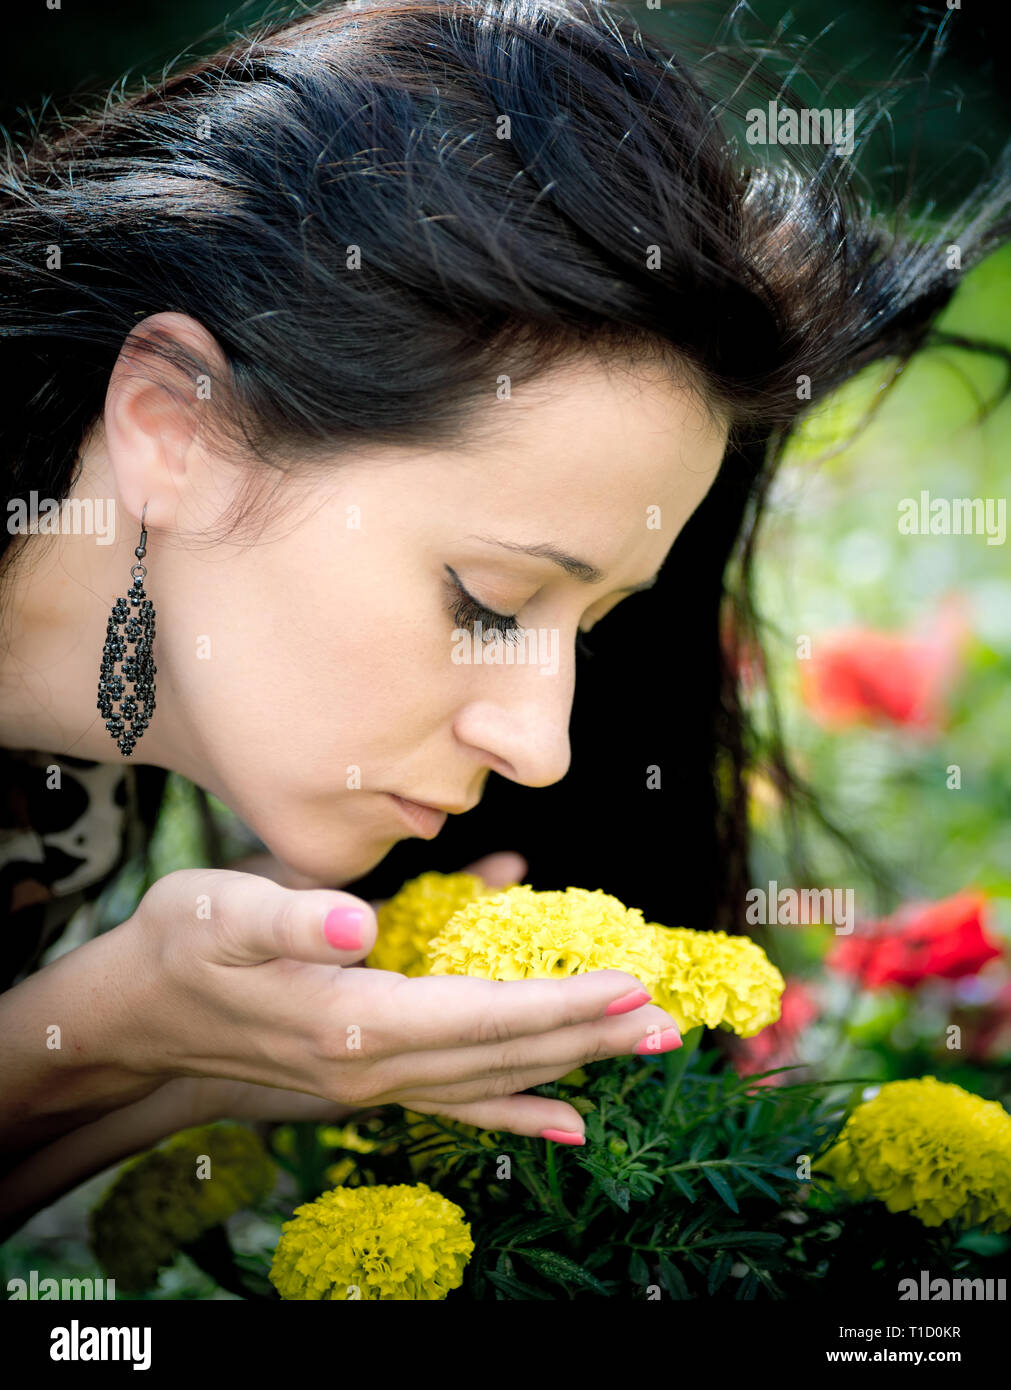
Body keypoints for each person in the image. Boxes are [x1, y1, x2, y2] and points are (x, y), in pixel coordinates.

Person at [0, 0, 1006, 1236]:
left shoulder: (84, 766)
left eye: (584, 630)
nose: (542, 748)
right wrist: (94, 1034)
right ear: (176, 427)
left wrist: (172, 1058)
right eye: (485, 598)